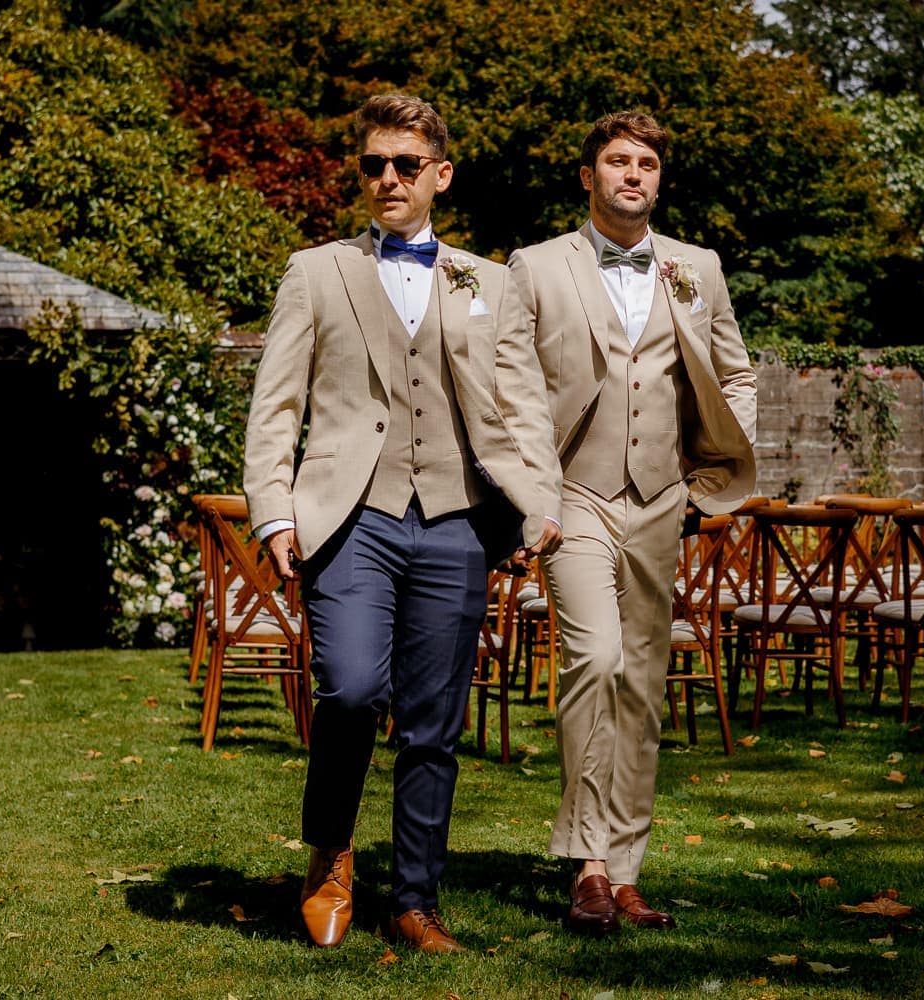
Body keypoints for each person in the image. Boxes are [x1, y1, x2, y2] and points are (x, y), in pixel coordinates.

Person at [243, 94, 562, 953]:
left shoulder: (487, 281)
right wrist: (274, 510)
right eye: (373, 165)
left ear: (439, 176)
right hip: (350, 517)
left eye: (405, 165)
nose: (388, 179)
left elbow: (525, 406)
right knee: (348, 688)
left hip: (457, 520)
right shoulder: (316, 272)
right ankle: (330, 853)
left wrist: (542, 503)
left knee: (434, 720)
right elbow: (276, 407)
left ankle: (415, 902)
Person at [507, 110, 757, 936]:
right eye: (617, 161)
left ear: (658, 178)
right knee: (597, 658)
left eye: (646, 163)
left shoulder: (698, 267)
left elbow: (735, 374)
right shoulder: (536, 267)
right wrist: (531, 495)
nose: (633, 175)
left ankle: (625, 873)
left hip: (659, 499)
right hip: (572, 494)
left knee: (644, 686)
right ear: (589, 176)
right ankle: (586, 864)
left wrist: (708, 481)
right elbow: (508, 388)